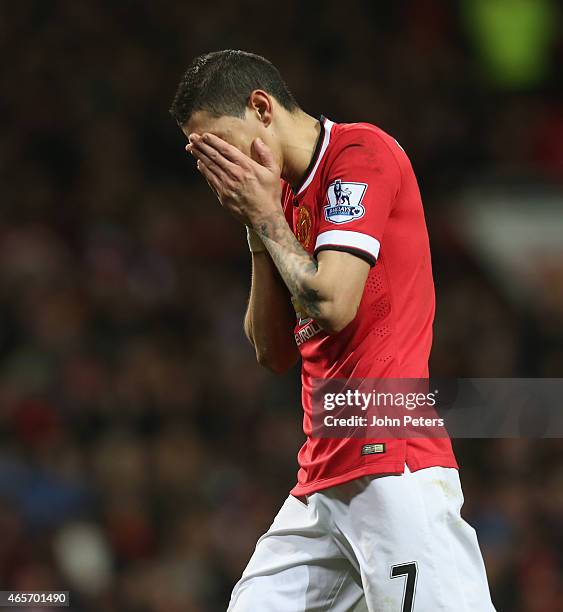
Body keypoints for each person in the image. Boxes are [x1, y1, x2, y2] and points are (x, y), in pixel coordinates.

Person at [170, 50, 496, 612]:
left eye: (220, 144)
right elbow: (271, 350)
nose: (219, 166)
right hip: (325, 471)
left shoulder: (359, 154)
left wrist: (267, 216)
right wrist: (259, 225)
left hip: (392, 462)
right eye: (203, 156)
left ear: (261, 108)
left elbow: (332, 302)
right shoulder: (282, 199)